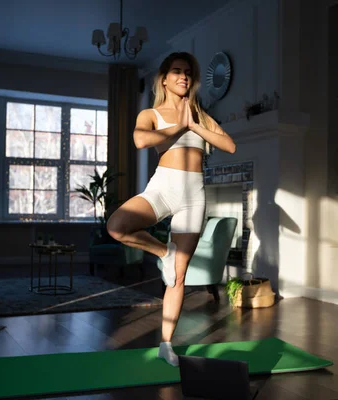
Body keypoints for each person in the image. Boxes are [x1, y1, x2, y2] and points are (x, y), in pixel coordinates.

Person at [106, 52, 236, 367]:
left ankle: (167, 345)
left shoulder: (200, 114)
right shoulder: (150, 113)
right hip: (163, 187)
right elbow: (140, 141)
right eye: (177, 71)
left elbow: (229, 145)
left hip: (194, 195)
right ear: (164, 78)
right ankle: (162, 252)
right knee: (117, 226)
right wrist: (179, 128)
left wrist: (194, 123)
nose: (184, 76)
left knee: (177, 277)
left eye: (188, 72)